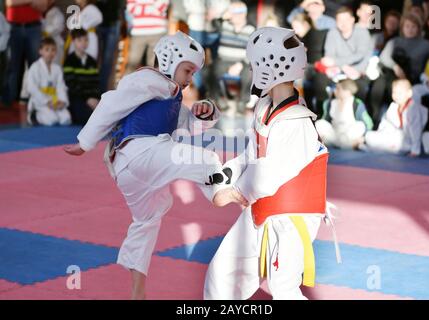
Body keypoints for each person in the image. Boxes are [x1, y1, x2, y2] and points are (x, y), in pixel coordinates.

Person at [64, 32, 246, 300]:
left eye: (193, 73)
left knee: (149, 218)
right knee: (205, 159)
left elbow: (186, 126)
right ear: (170, 60)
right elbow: (111, 103)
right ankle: (218, 191)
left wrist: (205, 114)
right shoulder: (149, 79)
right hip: (141, 152)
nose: (190, 79)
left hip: (130, 170)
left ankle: (138, 289)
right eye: (187, 70)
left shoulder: (170, 94)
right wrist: (85, 141)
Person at [204, 27, 334, 300]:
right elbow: (253, 155)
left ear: (269, 66)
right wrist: (225, 174)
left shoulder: (296, 121)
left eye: (254, 65)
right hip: (264, 205)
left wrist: (233, 192)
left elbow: (268, 174)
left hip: (292, 214)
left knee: (283, 287)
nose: (252, 72)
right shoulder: (265, 106)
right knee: (222, 273)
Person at [364, 79, 428, 156]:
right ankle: (386, 147)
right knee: (369, 136)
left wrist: (415, 151)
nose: (396, 96)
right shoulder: (393, 107)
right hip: (392, 136)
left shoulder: (413, 109)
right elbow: (385, 124)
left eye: (400, 93)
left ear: (409, 93)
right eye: (394, 92)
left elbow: (416, 131)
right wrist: (382, 134)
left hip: (407, 140)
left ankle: (392, 148)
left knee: (398, 142)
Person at [316, 79, 373, 149]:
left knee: (361, 125)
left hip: (349, 134)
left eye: (338, 89)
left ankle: (336, 144)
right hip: (334, 132)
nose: (335, 91)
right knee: (319, 123)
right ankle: (349, 145)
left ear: (347, 91)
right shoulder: (329, 103)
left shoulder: (357, 104)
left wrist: (363, 137)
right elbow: (325, 119)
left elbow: (368, 123)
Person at [27, 37, 71, 126]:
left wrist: (62, 101)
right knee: (51, 120)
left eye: (53, 50)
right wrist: (46, 101)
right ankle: (34, 115)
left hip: (54, 100)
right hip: (40, 101)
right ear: (40, 51)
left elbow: (61, 86)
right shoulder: (35, 67)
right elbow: (31, 87)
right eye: (47, 50)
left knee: (66, 119)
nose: (50, 53)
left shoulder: (57, 68)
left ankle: (53, 111)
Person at [63, 28, 101, 125]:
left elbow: (96, 83)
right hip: (77, 98)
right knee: (85, 119)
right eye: (80, 40)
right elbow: (71, 84)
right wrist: (87, 98)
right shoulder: (69, 61)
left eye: (86, 40)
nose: (83, 43)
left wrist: (95, 98)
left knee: (104, 115)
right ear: (73, 42)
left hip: (93, 98)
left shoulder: (92, 61)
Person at [42, 0, 65, 64]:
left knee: (55, 63)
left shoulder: (57, 13)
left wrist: (45, 32)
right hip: (41, 43)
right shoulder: (38, 12)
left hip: (55, 42)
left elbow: (58, 27)